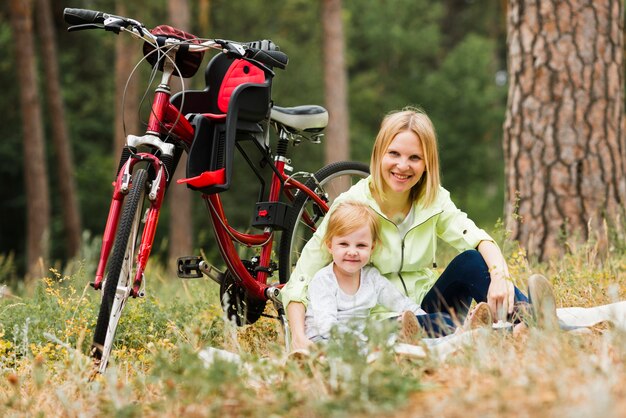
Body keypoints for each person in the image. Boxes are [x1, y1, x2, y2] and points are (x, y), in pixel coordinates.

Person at [282, 106, 530, 350]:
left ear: (426, 164)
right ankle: (478, 334)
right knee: (444, 324)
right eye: (394, 154)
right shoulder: (352, 206)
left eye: (414, 158)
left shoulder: (433, 200)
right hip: (381, 321)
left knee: (471, 261)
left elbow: (477, 238)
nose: (402, 166)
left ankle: (529, 322)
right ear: (379, 154)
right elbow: (301, 279)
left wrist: (500, 276)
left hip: (425, 308)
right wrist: (299, 337)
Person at [305, 201, 426, 343]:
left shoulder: (372, 278)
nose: (352, 252)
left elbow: (401, 302)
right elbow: (327, 327)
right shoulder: (324, 280)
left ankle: (437, 340)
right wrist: (365, 340)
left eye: (361, 245)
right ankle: (307, 359)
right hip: (324, 338)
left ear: (372, 248)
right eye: (344, 244)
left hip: (360, 338)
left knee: (395, 327)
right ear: (330, 246)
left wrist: (424, 319)